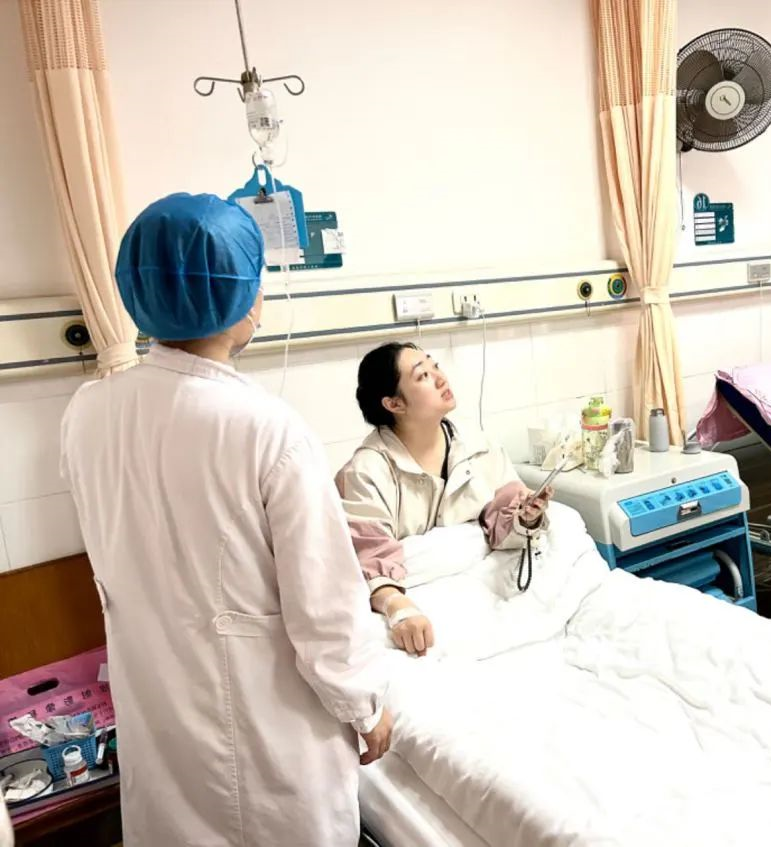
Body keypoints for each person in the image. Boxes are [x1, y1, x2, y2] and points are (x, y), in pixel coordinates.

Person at [60, 193, 394, 846]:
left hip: (158, 714)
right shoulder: (266, 429)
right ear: (245, 299)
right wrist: (365, 705)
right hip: (268, 737)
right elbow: (325, 604)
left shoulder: (88, 411)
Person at [336, 342, 553, 655]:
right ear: (394, 403)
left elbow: (504, 520)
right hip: (420, 608)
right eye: (422, 375)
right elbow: (368, 562)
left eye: (435, 365)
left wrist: (525, 518)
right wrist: (398, 607)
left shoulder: (477, 444)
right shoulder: (366, 472)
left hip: (490, 599)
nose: (440, 378)